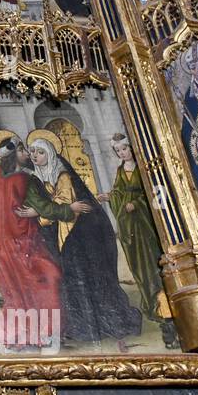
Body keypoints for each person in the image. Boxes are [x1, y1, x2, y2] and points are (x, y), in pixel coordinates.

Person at [26, 130, 141, 345]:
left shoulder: (62, 175)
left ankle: (96, 325)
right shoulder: (39, 177)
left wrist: (41, 214)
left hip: (78, 236)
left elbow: (65, 205)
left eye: (40, 152)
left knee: (84, 276)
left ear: (50, 154)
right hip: (62, 235)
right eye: (32, 151)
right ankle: (80, 326)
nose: (35, 156)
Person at [0, 131, 80, 348]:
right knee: (49, 278)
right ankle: (46, 333)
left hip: (2, 246)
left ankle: (24, 334)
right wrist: (69, 209)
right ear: (14, 154)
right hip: (26, 242)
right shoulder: (26, 179)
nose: (28, 153)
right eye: (24, 150)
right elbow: (45, 208)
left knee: (18, 289)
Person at [98, 133, 178, 347]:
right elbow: (118, 193)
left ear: (132, 148)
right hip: (130, 228)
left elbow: (155, 194)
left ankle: (166, 310)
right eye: (118, 151)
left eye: (124, 149)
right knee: (140, 268)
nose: (122, 153)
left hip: (146, 227)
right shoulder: (120, 171)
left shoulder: (144, 168)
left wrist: (138, 203)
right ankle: (153, 303)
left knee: (153, 264)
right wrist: (110, 197)